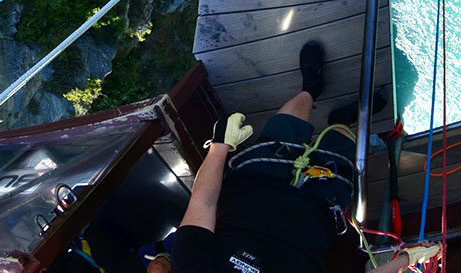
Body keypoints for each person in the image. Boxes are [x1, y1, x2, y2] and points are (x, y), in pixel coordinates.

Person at [171, 41, 412, 273]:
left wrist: (220, 144)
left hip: (256, 182)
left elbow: (204, 202)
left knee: (286, 127)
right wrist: (408, 258)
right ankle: (341, 121)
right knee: (341, 145)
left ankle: (310, 89)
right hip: (318, 209)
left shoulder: (189, 269)